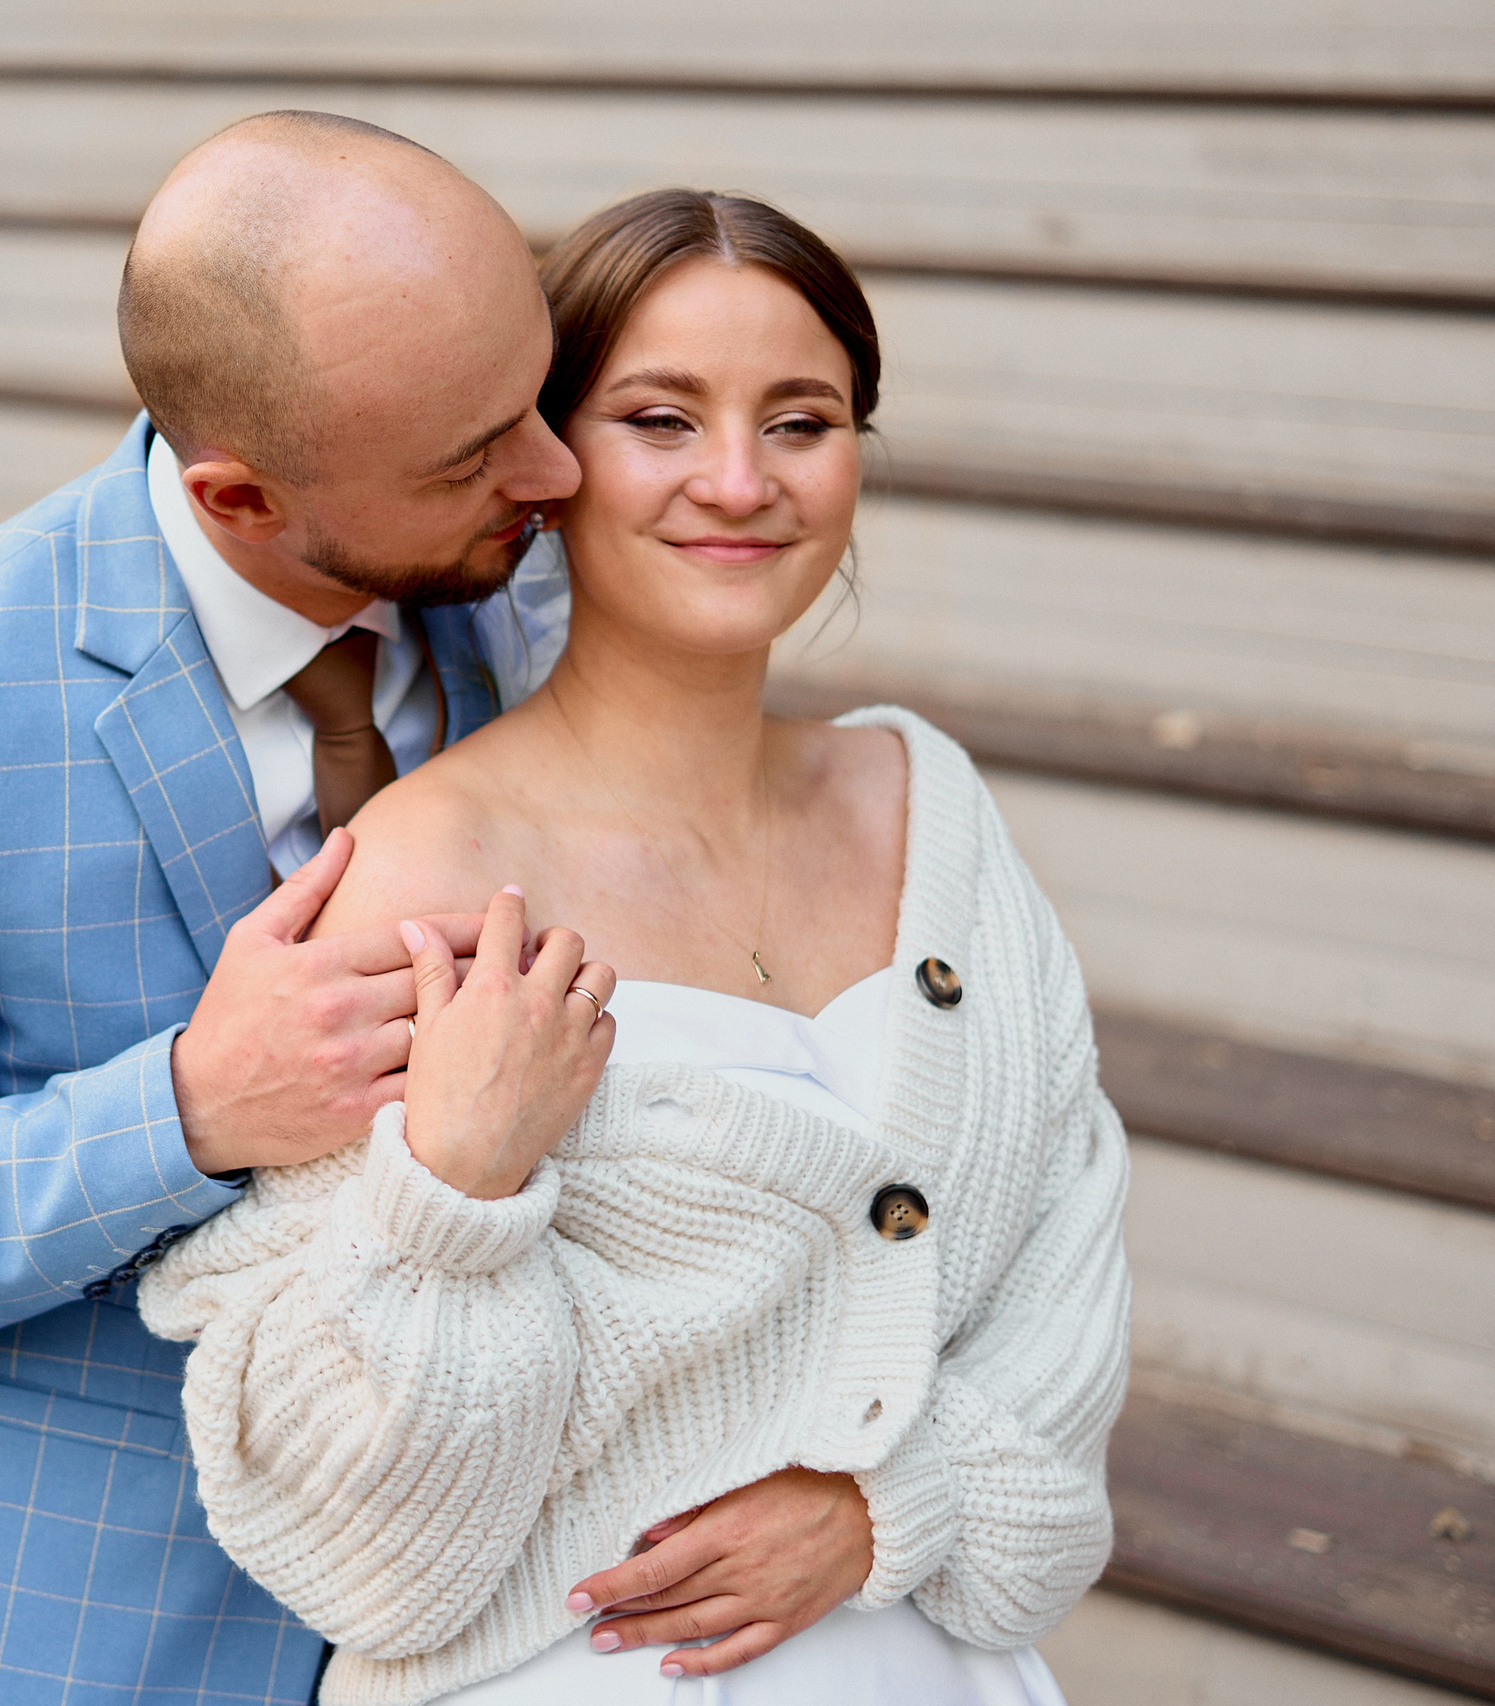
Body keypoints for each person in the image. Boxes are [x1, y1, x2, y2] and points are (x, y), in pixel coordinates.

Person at [0, 116, 879, 1705]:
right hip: (58, 1639)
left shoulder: (535, 591)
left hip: (486, 1627)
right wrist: (182, 1108)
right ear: (243, 495)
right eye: (473, 457)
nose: (555, 470)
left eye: (536, 397)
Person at [139, 190, 1132, 1704]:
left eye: (799, 420)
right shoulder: (431, 873)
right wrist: (453, 1189)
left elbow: (1071, 1266)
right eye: (660, 419)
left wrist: (886, 1508)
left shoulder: (928, 807)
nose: (738, 481)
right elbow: (355, 1538)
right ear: (547, 463)